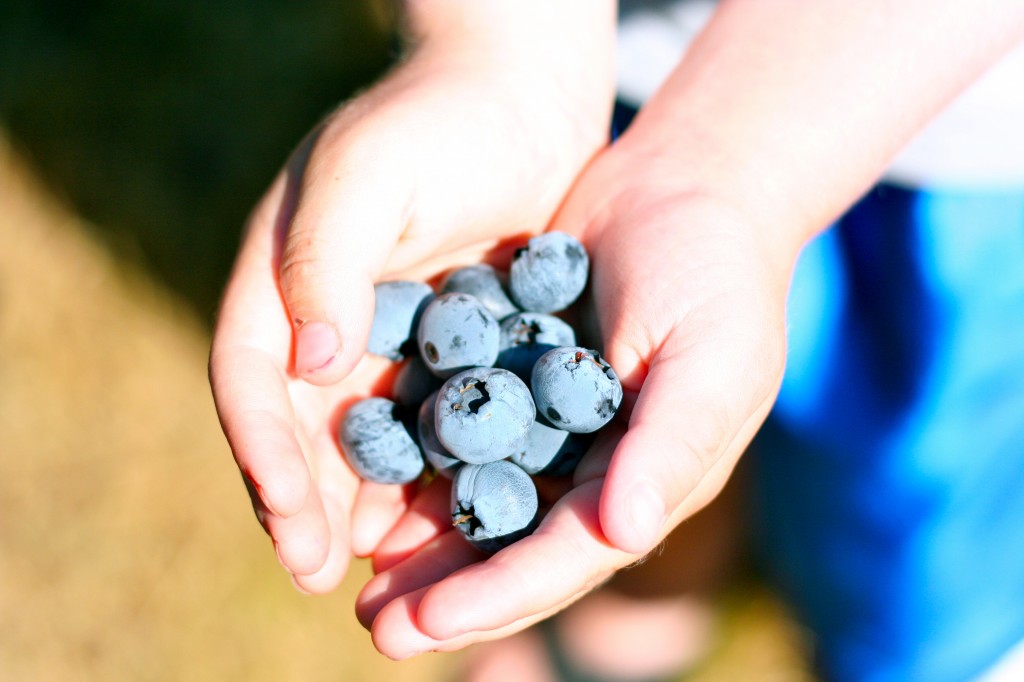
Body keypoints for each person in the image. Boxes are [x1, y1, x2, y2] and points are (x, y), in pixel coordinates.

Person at [208, 1, 1024, 679]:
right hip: (613, 86)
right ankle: (642, 611)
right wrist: (501, 51)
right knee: (647, 430)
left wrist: (724, 165)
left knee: (911, 512)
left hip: (961, 172)